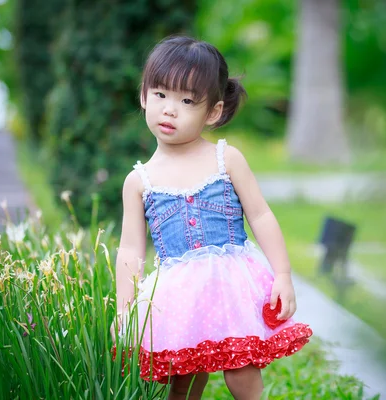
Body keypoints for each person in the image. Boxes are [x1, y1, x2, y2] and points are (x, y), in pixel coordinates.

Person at [111, 36, 313, 400]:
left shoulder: (226, 159)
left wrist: (282, 273)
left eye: (187, 101)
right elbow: (130, 250)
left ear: (213, 112)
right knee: (185, 376)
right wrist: (125, 310)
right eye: (160, 95)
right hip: (179, 294)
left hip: (231, 284)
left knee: (240, 368)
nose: (169, 110)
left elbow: (261, 215)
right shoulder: (138, 181)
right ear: (143, 96)